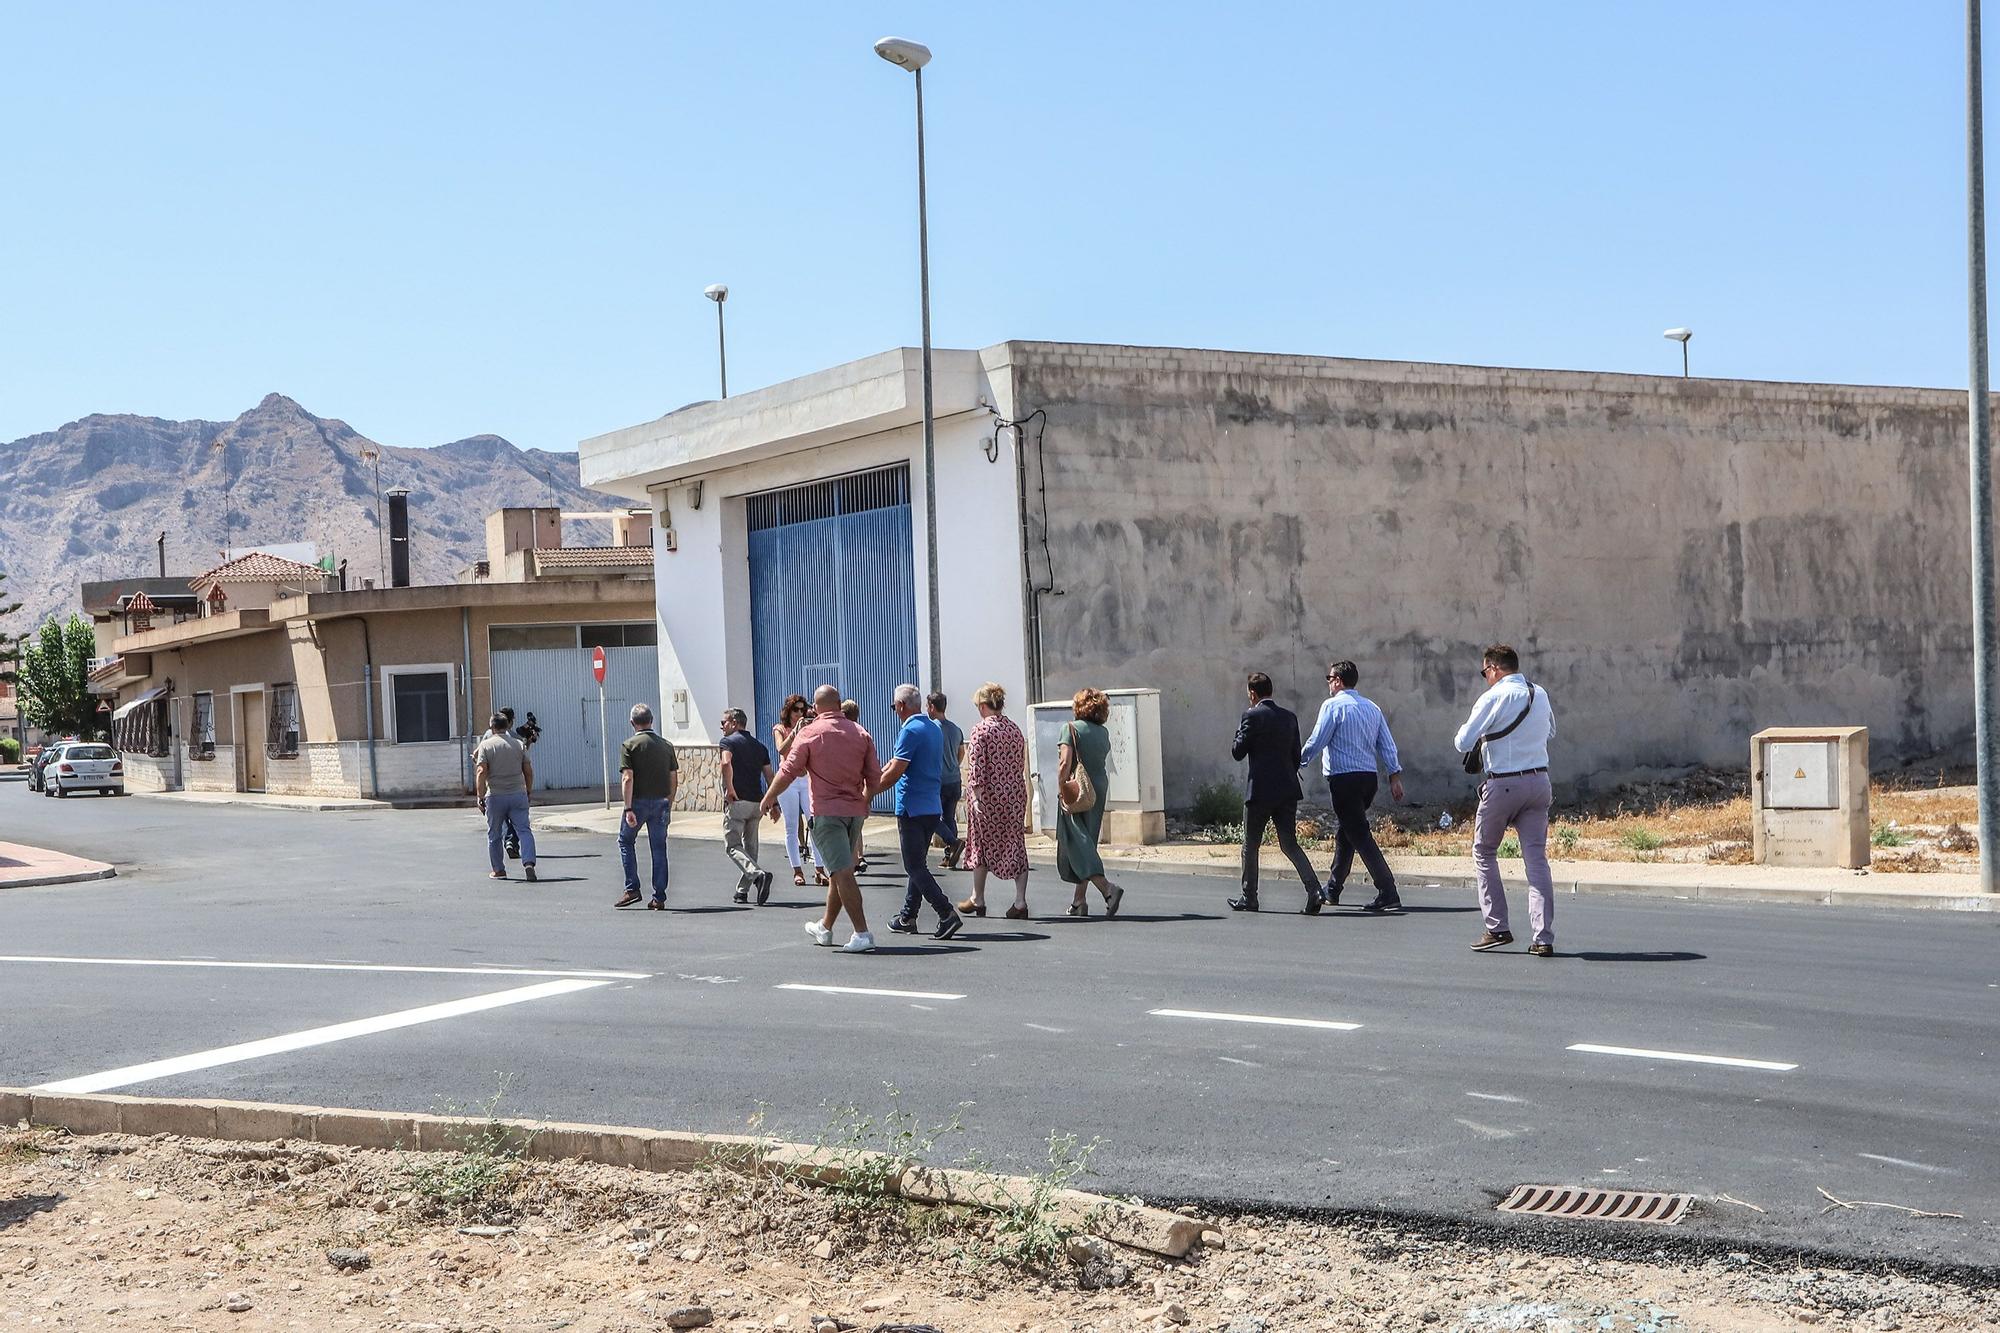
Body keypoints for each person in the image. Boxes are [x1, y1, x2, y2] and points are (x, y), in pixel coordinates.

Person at [1454, 644, 1557, 956]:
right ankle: (1543, 937)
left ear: (1494, 668)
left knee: (1484, 852)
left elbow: (1461, 742)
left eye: (1485, 672)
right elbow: (1550, 731)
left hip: (1505, 783)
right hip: (1539, 781)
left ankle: (1497, 927)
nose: (1486, 677)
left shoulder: (1493, 696)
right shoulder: (1538, 693)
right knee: (1536, 859)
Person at [762, 684, 881, 953]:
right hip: (854, 813)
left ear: (815, 709)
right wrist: (866, 800)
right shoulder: (860, 732)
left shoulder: (810, 733)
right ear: (839, 704)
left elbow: (788, 770)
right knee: (838, 871)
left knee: (842, 872)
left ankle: (862, 933)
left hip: (827, 813)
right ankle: (825, 927)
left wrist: (768, 797)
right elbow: (875, 777)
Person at [1299, 659, 1406, 912]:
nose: (1328, 683)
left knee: (1358, 833)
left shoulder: (1333, 706)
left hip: (1344, 779)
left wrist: (1297, 761)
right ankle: (1333, 889)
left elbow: (1317, 740)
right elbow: (1387, 744)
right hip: (1368, 780)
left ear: (1337, 681)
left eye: (1329, 678)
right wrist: (1394, 775)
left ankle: (1387, 889)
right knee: (1347, 832)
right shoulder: (1372, 708)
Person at [1226, 672, 1323, 914]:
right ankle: (1315, 890)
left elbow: (1238, 751)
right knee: (1289, 844)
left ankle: (1249, 897)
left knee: (1251, 845)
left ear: (1252, 693)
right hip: (1287, 790)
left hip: (1259, 791)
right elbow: (1296, 757)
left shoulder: (1251, 716)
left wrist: (1240, 728)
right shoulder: (1289, 717)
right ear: (1271, 691)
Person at [873, 684, 964, 940]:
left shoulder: (910, 730)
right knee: (919, 865)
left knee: (913, 866)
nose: (895, 711)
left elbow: (896, 770)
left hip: (911, 807)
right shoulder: (933, 728)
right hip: (930, 806)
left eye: (894, 707)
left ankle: (945, 912)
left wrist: (869, 793)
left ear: (901, 706)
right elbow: (894, 763)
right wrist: (876, 775)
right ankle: (908, 916)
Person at [957, 682, 1032, 919]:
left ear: (982, 706)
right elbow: (1019, 763)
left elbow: (977, 766)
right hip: (1014, 794)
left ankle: (978, 898)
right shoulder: (1014, 729)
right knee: (1015, 841)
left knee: (981, 843)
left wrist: (977, 797)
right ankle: (1020, 901)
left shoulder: (981, 730)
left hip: (989, 796)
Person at [1056, 688, 1124, 917]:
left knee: (1077, 841)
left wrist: (1061, 786)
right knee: (1088, 840)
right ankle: (1079, 901)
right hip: (1097, 788)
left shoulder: (1070, 729)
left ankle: (1108, 889)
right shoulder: (1103, 733)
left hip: (1076, 788)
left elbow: (1065, 763)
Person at [614, 703, 679, 909]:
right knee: (659, 848)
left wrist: (628, 807)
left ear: (632, 722)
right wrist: (669, 801)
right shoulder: (666, 745)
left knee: (626, 841)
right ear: (652, 720)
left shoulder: (629, 745)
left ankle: (632, 888)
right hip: (661, 802)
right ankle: (659, 897)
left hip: (638, 803)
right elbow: (673, 778)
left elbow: (627, 778)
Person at [718, 707, 776, 905]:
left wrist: (730, 789)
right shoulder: (759, 746)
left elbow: (726, 764)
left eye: (723, 722)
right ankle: (742, 891)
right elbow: (770, 776)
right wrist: (773, 801)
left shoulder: (727, 742)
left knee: (733, 846)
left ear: (734, 723)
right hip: (757, 803)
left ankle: (758, 875)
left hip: (738, 801)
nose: (721, 726)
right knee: (751, 847)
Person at [473, 712, 537, 882]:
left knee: (494, 834)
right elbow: (528, 771)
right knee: (524, 830)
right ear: (507, 726)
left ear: (492, 727)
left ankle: (499, 870)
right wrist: (528, 791)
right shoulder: (518, 744)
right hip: (518, 793)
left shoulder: (486, 746)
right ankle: (529, 862)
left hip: (495, 795)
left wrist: (480, 796)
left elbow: (481, 771)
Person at [772, 694, 823, 888]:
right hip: (789, 781)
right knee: (791, 827)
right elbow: (782, 750)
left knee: (815, 824)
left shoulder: (808, 728)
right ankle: (797, 870)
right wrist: (794, 732)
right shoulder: (780, 728)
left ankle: (819, 869)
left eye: (803, 710)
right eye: (796, 710)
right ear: (788, 711)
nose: (800, 714)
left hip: (806, 779)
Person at [927, 691, 967, 869]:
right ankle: (950, 855)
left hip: (938, 781)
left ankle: (953, 843)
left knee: (930, 817)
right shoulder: (955, 729)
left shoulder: (931, 728)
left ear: (932, 707)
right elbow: (961, 752)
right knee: (949, 817)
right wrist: (953, 766)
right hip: (955, 780)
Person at [840, 698, 870, 872]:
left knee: (846, 828)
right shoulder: (863, 733)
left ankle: (851, 862)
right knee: (857, 826)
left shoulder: (841, 734)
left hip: (845, 789)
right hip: (860, 787)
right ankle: (859, 857)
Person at [498, 707, 521, 861]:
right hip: (515, 786)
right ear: (511, 722)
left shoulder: (487, 736)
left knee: (503, 818)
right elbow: (523, 761)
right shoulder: (515, 739)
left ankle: (507, 843)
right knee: (517, 818)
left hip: (494, 788)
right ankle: (511, 841)